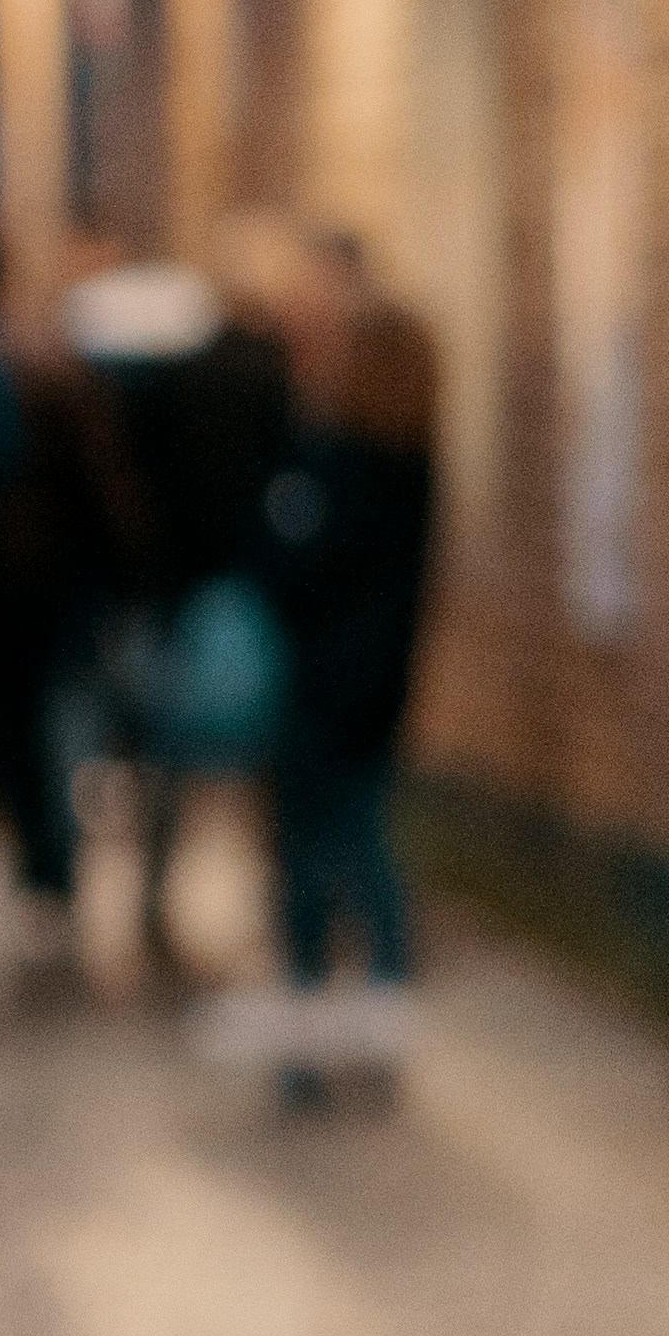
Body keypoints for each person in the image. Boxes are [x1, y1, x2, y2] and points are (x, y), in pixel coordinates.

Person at [250, 257, 437, 1095]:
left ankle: (312, 1036)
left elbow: (293, 565)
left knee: (317, 864)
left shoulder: (338, 460)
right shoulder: (414, 460)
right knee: (364, 849)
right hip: (377, 685)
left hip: (323, 687)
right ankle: (379, 1024)